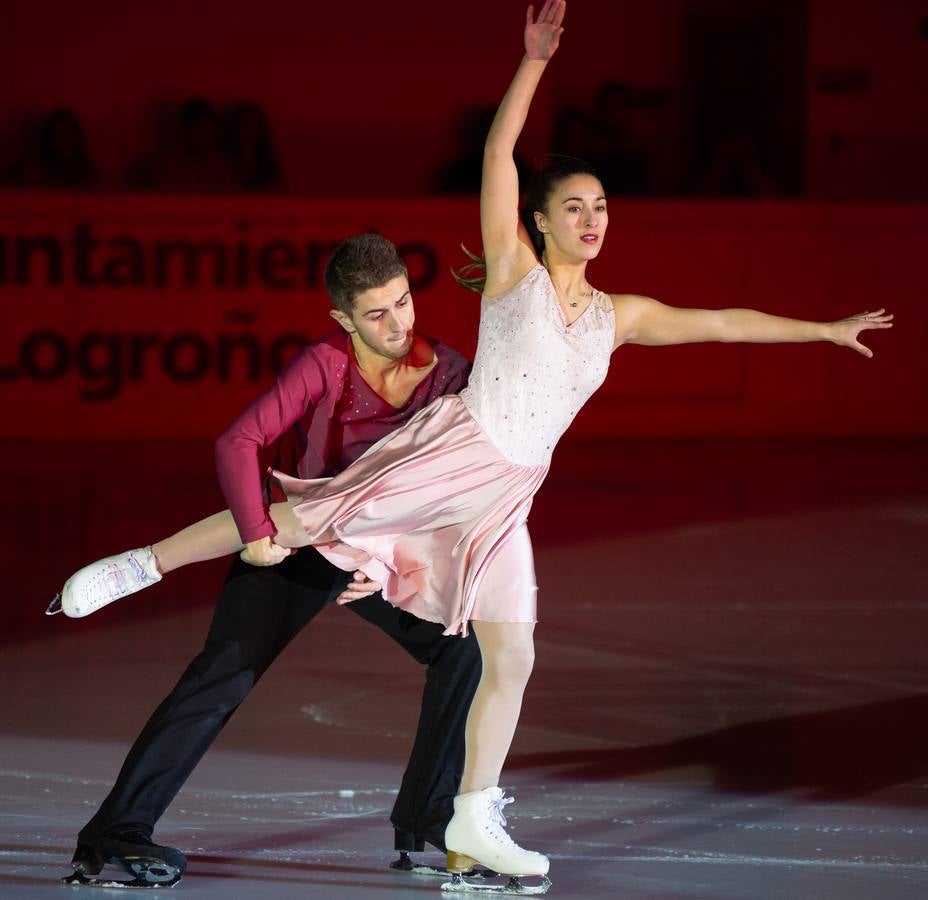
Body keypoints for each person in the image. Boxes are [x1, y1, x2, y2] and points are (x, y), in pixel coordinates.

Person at [55, 0, 893, 886]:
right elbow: (499, 155)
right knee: (295, 528)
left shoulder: (619, 316)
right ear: (538, 221)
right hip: (447, 462)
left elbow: (721, 320)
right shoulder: (511, 275)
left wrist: (822, 331)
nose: (594, 219)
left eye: (602, 206)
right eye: (575, 207)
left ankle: (462, 825)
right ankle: (141, 568)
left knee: (504, 651)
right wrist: (531, 63)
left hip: (504, 493)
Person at [51, 233, 487, 888]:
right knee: (222, 676)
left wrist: (402, 559)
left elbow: (454, 485)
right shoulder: (324, 363)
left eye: (402, 303)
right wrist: (255, 533)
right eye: (376, 314)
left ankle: (427, 810)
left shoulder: (447, 372)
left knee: (460, 649)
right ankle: (115, 832)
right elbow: (238, 441)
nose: (397, 325)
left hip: (374, 553)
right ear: (342, 318)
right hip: (296, 544)